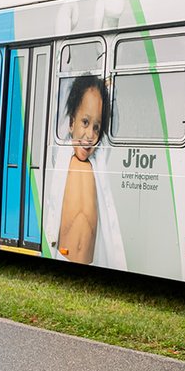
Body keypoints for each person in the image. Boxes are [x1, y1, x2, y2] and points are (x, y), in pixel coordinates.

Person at [58, 74, 108, 265]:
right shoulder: (62, 160)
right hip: (62, 256)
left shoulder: (97, 164)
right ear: (71, 123)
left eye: (96, 127)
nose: (90, 135)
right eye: (85, 123)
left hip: (88, 262)